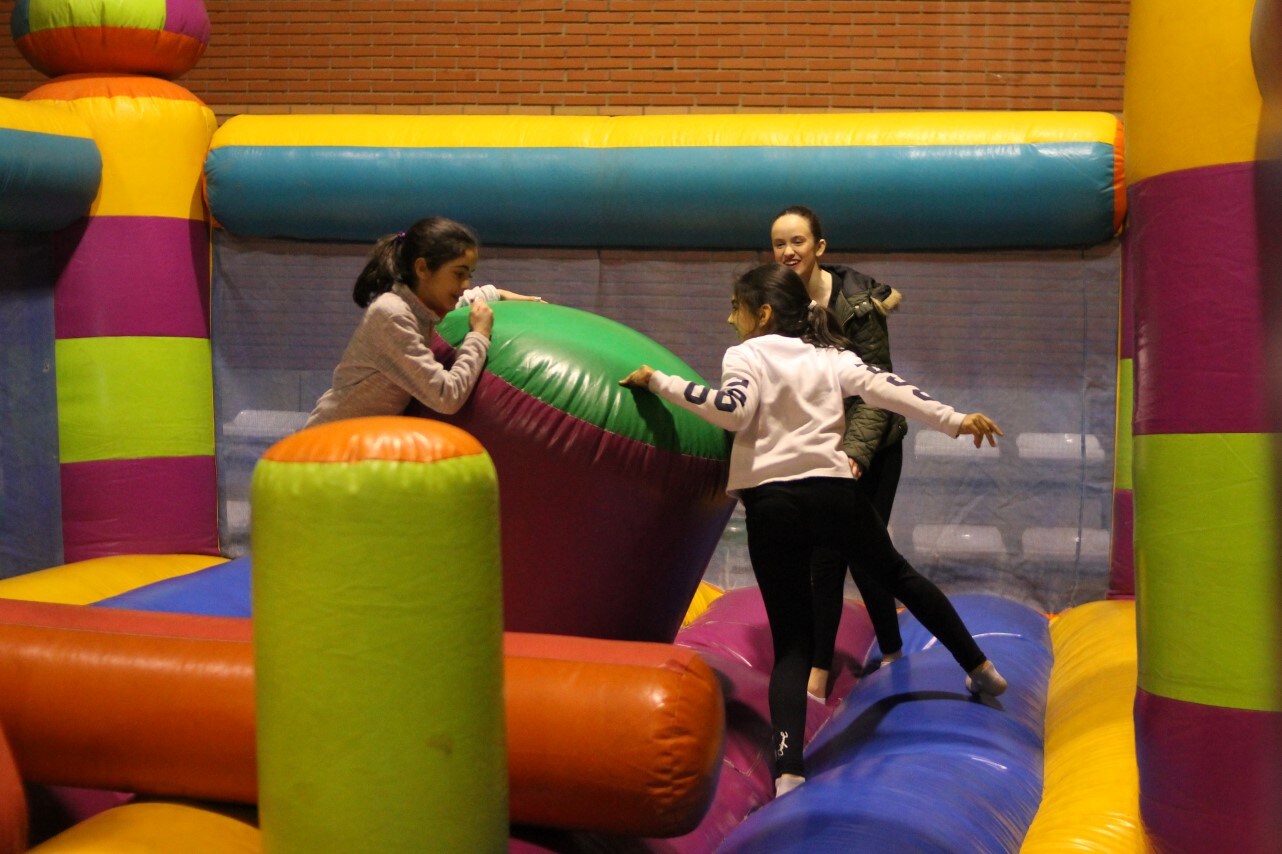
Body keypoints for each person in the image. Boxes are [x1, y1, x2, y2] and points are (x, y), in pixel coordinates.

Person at [619, 263, 1007, 798]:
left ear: (763, 313)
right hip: (832, 494)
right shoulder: (831, 355)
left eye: (735, 307)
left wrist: (658, 381)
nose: (728, 318)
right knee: (898, 574)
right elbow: (887, 389)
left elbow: (733, 411)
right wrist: (955, 419)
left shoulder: (746, 354)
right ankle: (980, 666)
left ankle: (788, 771)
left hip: (773, 504)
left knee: (793, 643)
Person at [772, 204, 907, 698]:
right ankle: (831, 662)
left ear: (819, 248)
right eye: (779, 244)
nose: (788, 252)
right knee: (826, 555)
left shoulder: (859, 305)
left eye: (798, 242)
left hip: (875, 438)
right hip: (820, 438)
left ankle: (838, 663)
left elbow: (879, 387)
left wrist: (853, 454)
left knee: (861, 554)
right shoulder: (777, 302)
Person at [306, 216, 543, 428]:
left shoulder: (419, 306)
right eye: (458, 274)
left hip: (362, 443)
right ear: (422, 269)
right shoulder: (392, 315)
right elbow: (446, 396)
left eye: (469, 275)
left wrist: (496, 293)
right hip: (327, 447)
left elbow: (462, 300)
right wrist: (479, 336)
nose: (465, 285)